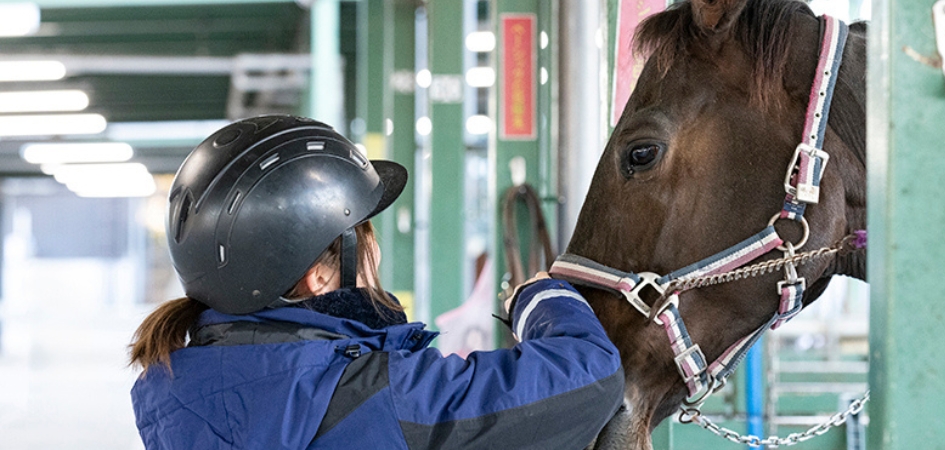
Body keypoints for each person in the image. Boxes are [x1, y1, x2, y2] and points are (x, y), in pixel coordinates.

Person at [129, 115, 624, 449]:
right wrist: (542, 299)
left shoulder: (183, 395)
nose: (378, 251)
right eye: (364, 235)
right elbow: (590, 377)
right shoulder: (369, 397)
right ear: (319, 275)